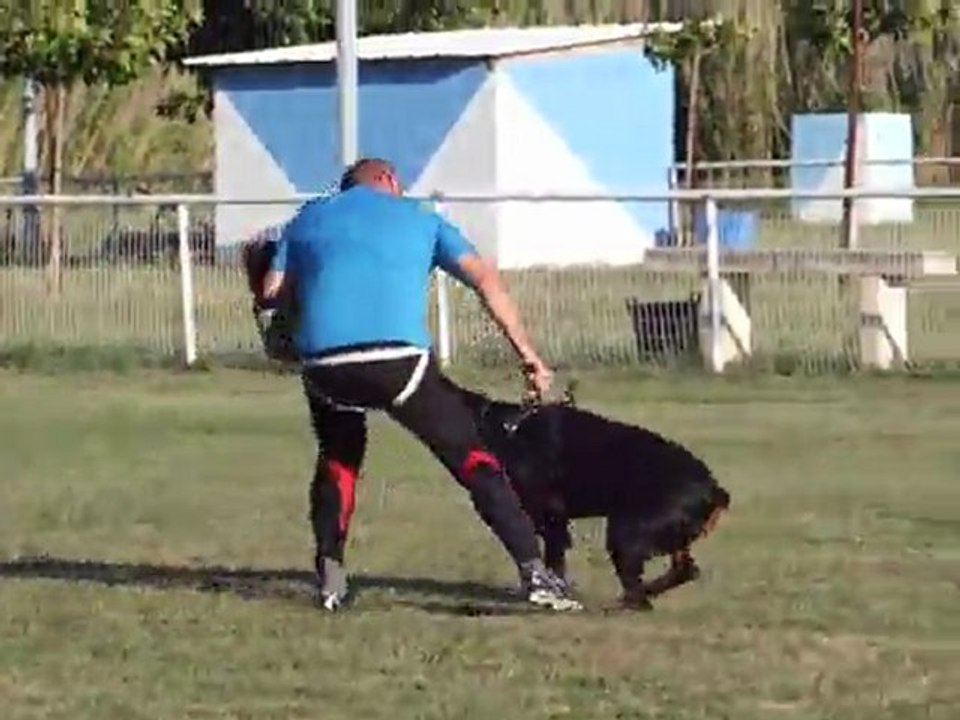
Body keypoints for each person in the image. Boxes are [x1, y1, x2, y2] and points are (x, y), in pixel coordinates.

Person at [257, 157, 582, 613]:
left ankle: (331, 577)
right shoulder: (420, 215)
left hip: (325, 363)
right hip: (397, 362)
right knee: (471, 457)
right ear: (389, 180)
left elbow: (272, 291)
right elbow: (485, 280)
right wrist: (529, 357)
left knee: (339, 458)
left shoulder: (308, 216)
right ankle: (535, 573)